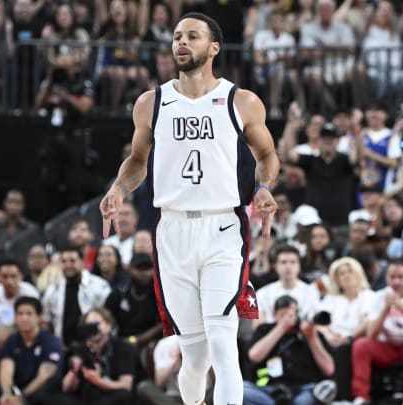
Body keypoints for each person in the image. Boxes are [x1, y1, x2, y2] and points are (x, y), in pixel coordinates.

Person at [99, 12, 279, 405]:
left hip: (222, 229)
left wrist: (264, 188)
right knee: (194, 356)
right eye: (177, 36)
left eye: (192, 36)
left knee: (222, 339)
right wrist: (118, 189)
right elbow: (137, 160)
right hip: (173, 232)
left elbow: (267, 155)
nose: (181, 42)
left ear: (213, 47)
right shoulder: (152, 102)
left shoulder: (241, 101)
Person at [351, 259, 403, 405]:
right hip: (388, 346)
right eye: (392, 277)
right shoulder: (378, 297)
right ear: (386, 278)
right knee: (361, 345)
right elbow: (371, 334)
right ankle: (361, 396)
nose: (396, 282)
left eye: (400, 277)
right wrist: (385, 309)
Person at [243, 295, 335, 405]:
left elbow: (329, 369)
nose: (290, 319)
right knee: (243, 389)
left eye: (292, 314)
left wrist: (312, 338)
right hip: (268, 390)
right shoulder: (264, 330)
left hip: (304, 389)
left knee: (321, 392)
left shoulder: (311, 332)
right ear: (274, 315)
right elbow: (253, 356)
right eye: (284, 315)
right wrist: (281, 327)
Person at [0, 296, 63, 405]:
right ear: (15, 317)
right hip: (17, 387)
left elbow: (45, 375)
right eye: (20, 314)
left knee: (48, 388)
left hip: (36, 389)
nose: (24, 318)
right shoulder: (12, 340)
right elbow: (6, 368)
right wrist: (7, 393)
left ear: (38, 317)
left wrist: (22, 397)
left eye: (29, 314)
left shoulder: (50, 340)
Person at [317, 257, 374, 401]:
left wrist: (348, 337)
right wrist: (328, 335)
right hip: (332, 338)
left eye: (350, 271)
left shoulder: (368, 296)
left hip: (355, 339)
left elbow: (366, 321)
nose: (347, 275)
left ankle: (341, 398)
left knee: (344, 349)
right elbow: (319, 323)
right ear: (336, 279)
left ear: (358, 274)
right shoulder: (331, 299)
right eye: (341, 274)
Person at [41, 245, 111, 348]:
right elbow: (46, 322)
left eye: (72, 261)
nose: (68, 265)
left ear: (82, 262)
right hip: (62, 347)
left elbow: (108, 318)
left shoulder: (99, 286)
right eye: (64, 261)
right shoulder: (52, 290)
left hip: (94, 346)